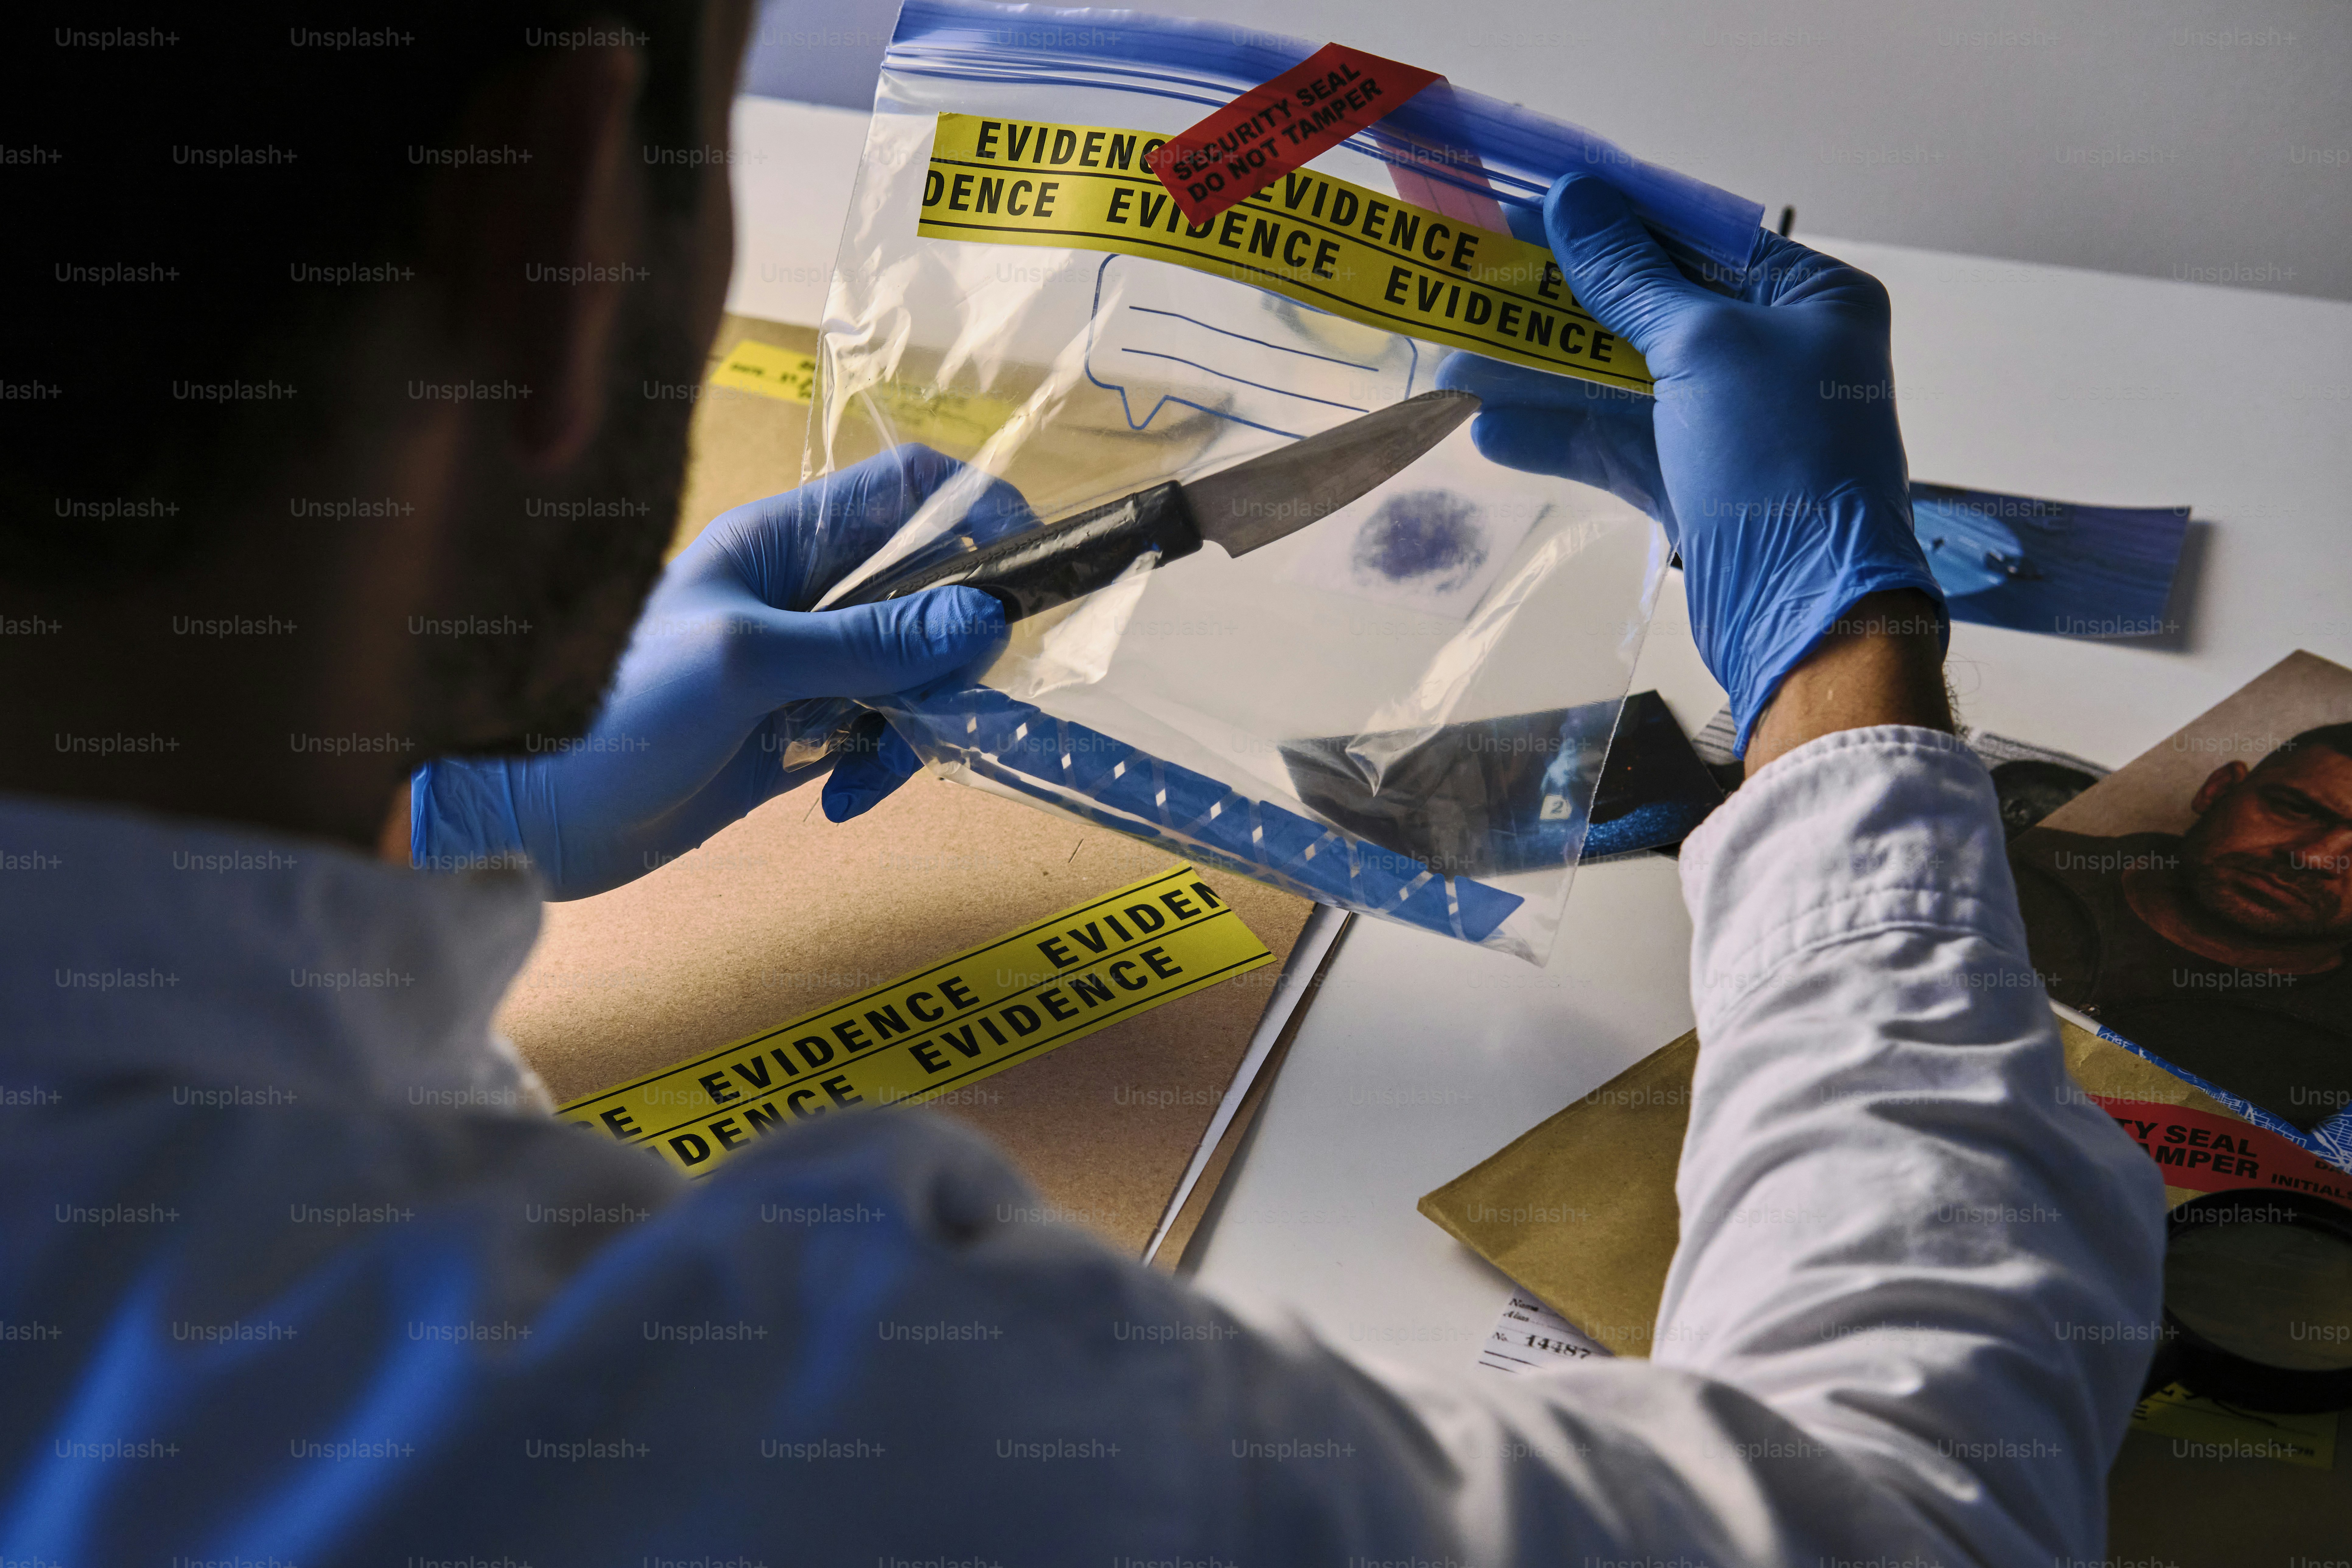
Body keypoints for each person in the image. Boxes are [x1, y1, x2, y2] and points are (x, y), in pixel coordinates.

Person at [2, 6, 2163, 1565]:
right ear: (542, 224)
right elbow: (1913, 1505)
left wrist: (435, 836)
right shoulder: (730, 1408)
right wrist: (1843, 678)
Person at [2011, 727, 2352, 1129]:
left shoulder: (2335, 1056)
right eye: (2294, 809)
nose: (2313, 858)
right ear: (2219, 788)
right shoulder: (1999, 863)